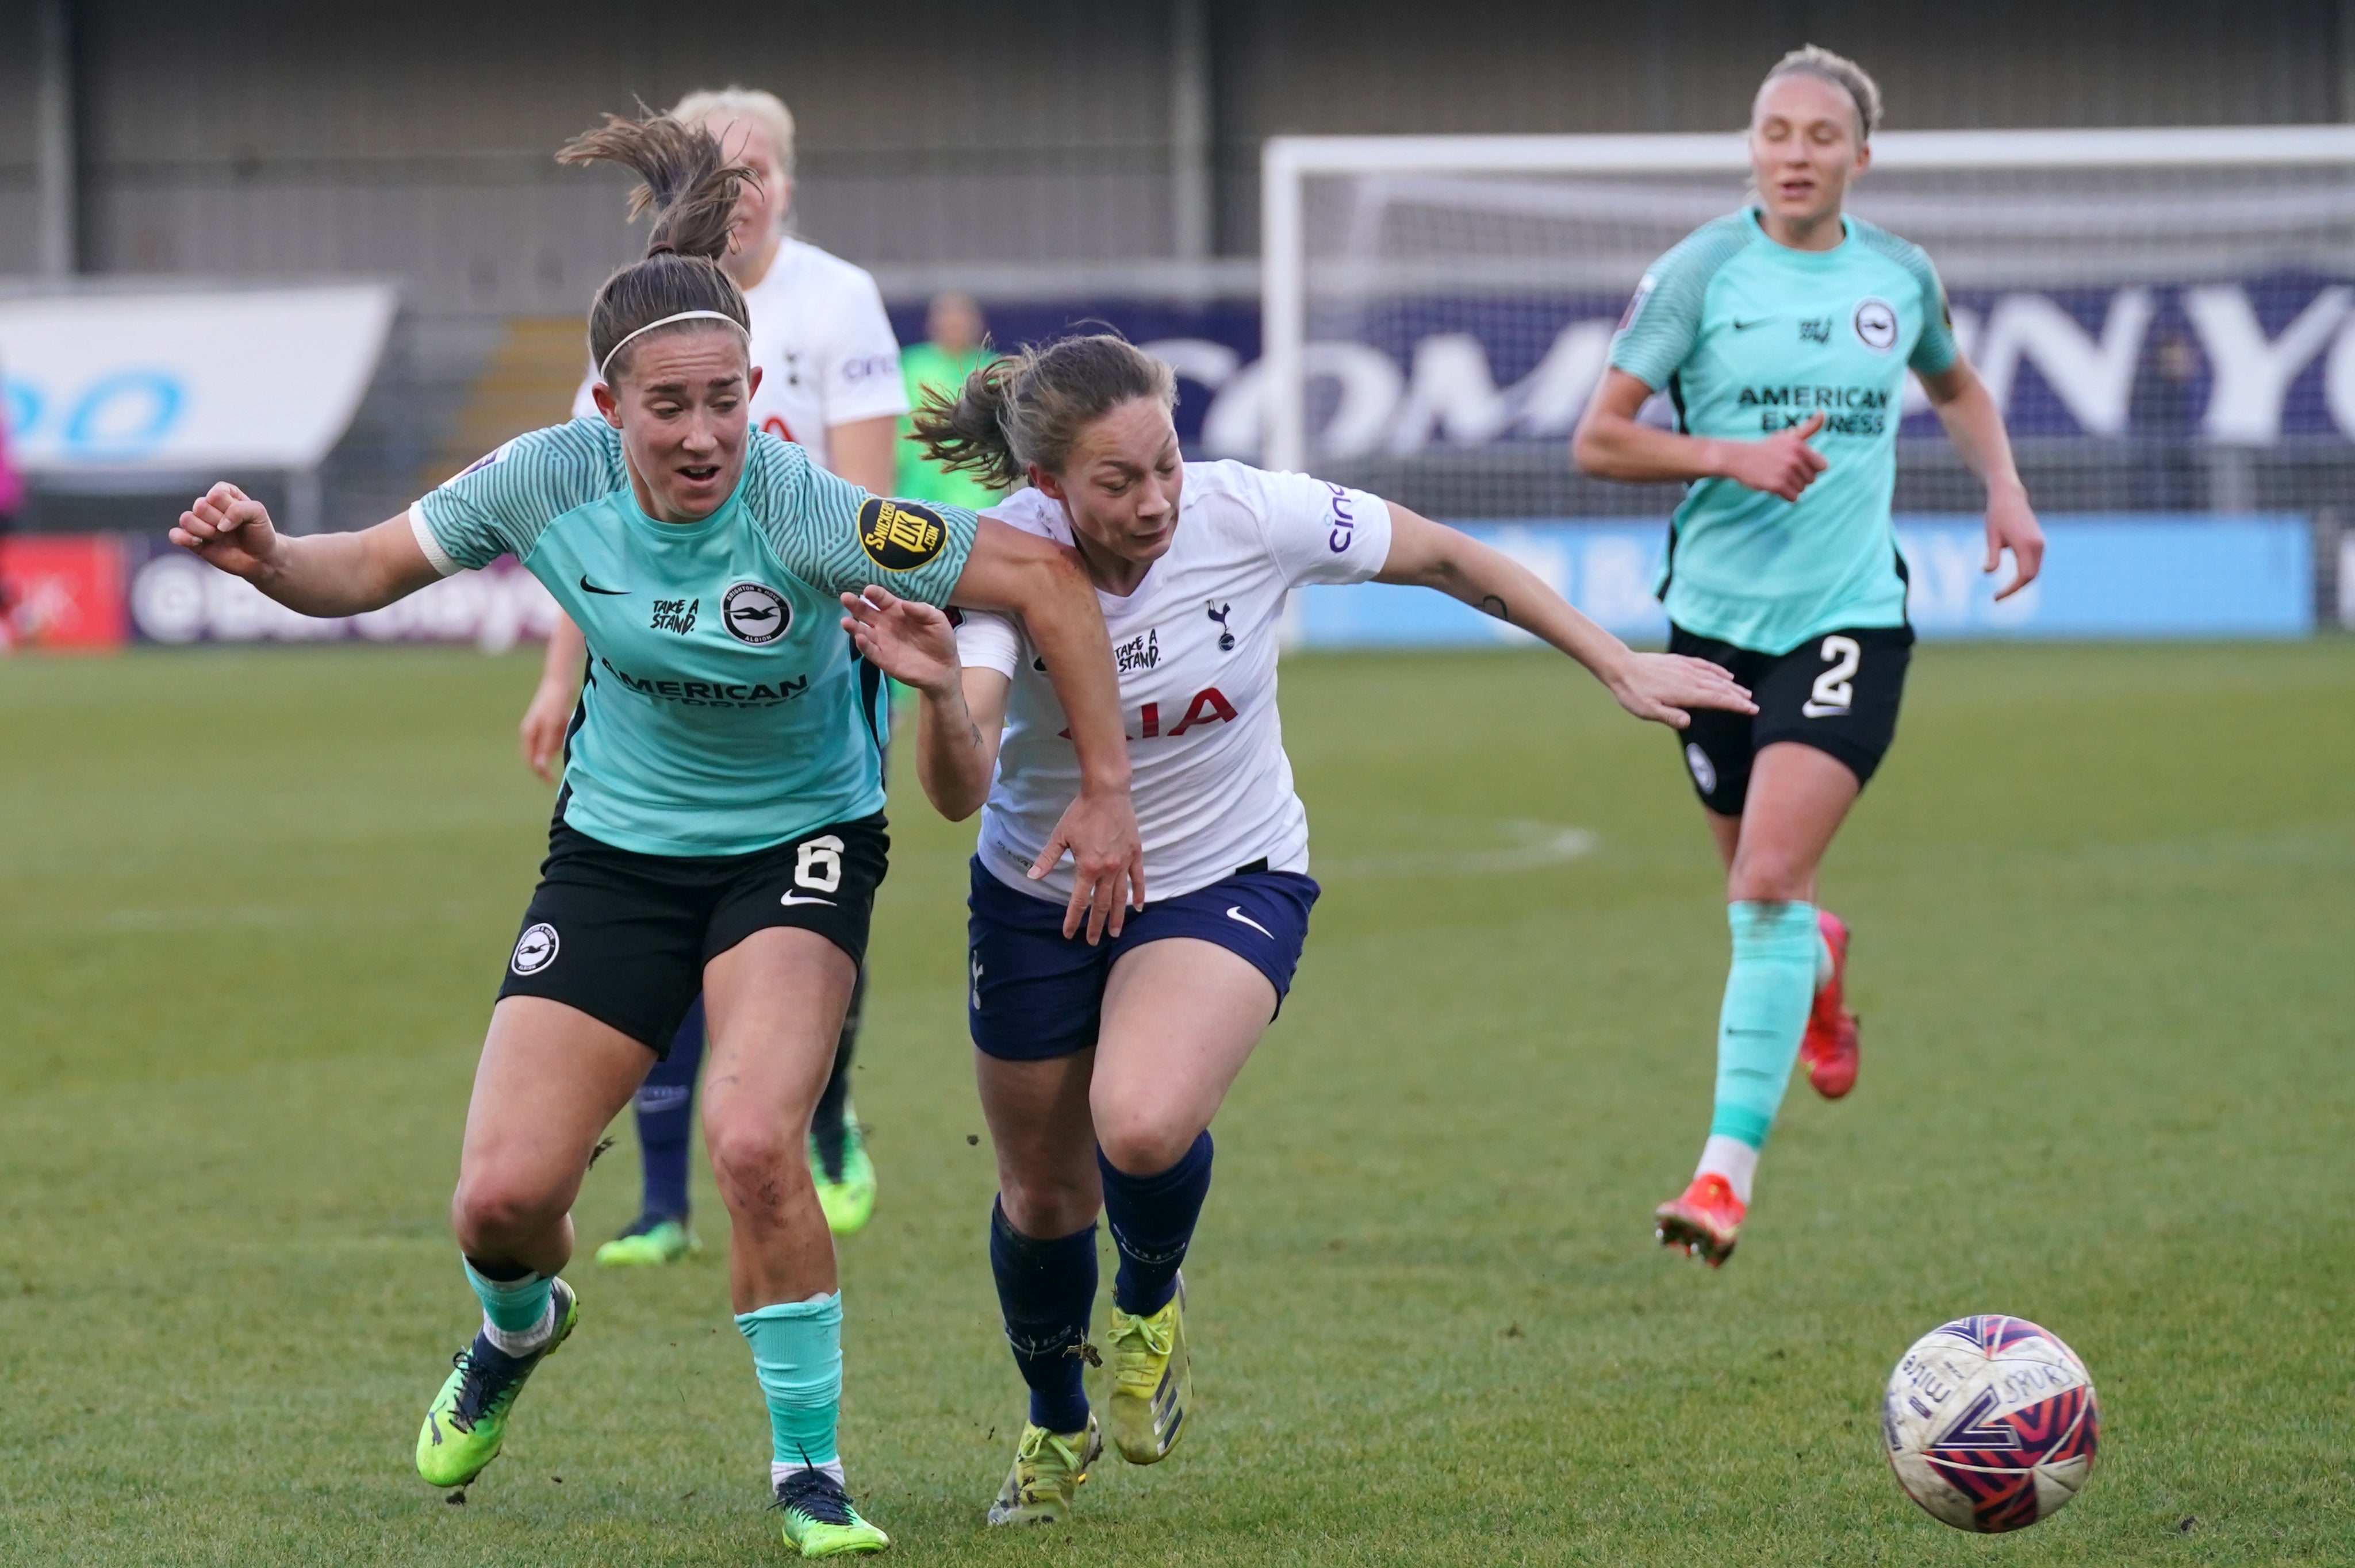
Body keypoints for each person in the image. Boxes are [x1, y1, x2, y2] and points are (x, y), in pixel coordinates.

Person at [170, 113, 1142, 1557]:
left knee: (757, 1142)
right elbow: (362, 564)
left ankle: (808, 1471)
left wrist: (1105, 789)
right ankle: (518, 1327)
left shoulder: (815, 512)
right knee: (501, 1200)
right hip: (616, 851)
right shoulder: (539, 478)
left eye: (725, 401)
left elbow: (1049, 588)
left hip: (798, 848)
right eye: (666, 407)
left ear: (756, 390)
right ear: (608, 405)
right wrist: (267, 560)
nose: (700, 435)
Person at [835, 334, 1752, 1525]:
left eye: (1162, 462)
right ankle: (1055, 1416)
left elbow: (1446, 555)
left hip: (1227, 869)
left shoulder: (1246, 511)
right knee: (1041, 1194)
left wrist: (1609, 658)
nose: (1156, 498)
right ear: (1049, 485)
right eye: (1117, 482)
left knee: (1144, 1121)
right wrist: (931, 690)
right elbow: (957, 792)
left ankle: (1150, 1302)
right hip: (1037, 893)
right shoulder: (1005, 559)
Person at [1571, 45, 2044, 1268]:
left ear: (1857, 158)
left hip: (1846, 619)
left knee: (1763, 886)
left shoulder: (1899, 274)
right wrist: (1730, 456)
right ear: (1750, 148)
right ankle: (1819, 960)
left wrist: (2002, 487)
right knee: (1761, 910)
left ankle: (1720, 1178)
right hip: (1709, 632)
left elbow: (1955, 385)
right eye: (1774, 131)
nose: (1793, 153)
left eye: (1818, 136)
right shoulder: (1697, 271)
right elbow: (1599, 441)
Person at [518, 86, 910, 1256]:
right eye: (717, 173)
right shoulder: (636, 316)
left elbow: (869, 502)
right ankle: (657, 1197)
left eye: (757, 174)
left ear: (788, 183)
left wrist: (858, 612)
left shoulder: (837, 299)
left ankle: (825, 1114)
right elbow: (582, 523)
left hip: (815, 643)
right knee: (650, 888)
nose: (738, 195)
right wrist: (554, 678)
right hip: (654, 650)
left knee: (792, 904)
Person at [895, 293, 1002, 509]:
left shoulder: (993, 369)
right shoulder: (910, 366)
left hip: (978, 493)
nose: (955, 328)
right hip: (916, 489)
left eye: (961, 322)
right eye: (948, 322)